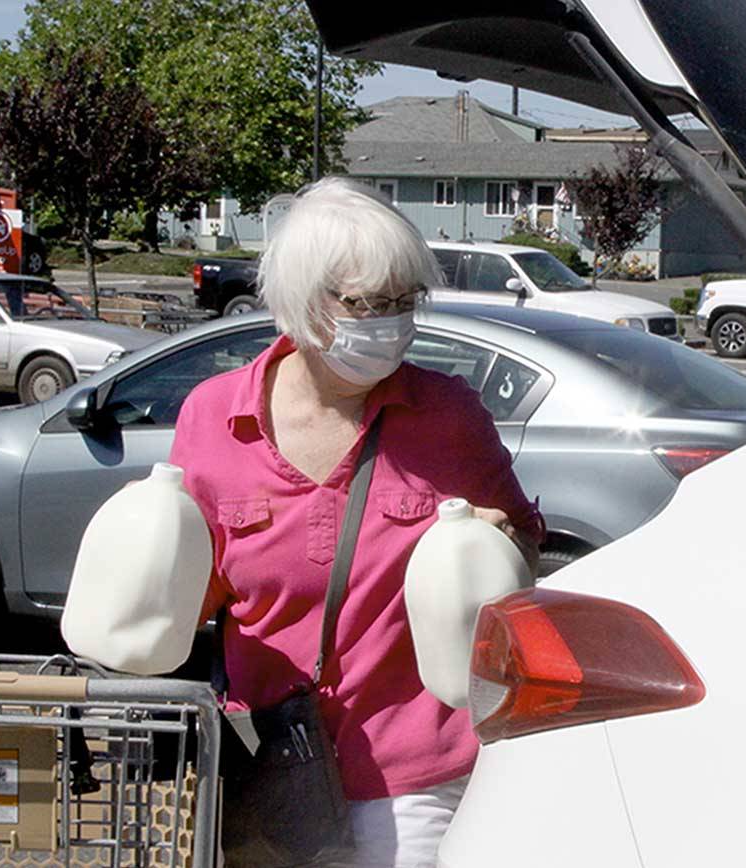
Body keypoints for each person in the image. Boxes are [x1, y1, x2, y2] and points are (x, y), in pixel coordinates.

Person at [168, 177, 542, 867]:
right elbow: (195, 596)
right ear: (306, 302)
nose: (393, 324)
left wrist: (500, 545)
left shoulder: (447, 417)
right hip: (278, 774)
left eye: (407, 303)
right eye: (371, 304)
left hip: (416, 777)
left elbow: (520, 547)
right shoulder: (213, 417)